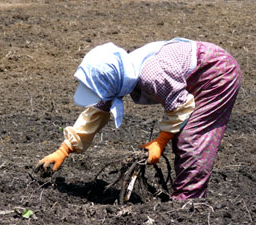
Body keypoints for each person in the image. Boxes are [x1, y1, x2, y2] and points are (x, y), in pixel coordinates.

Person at [35, 38, 241, 200]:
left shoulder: (151, 75)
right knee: (182, 136)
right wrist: (64, 149)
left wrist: (160, 142)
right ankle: (185, 191)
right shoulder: (121, 72)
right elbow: (97, 110)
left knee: (191, 139)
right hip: (193, 71)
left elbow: (181, 107)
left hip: (217, 73)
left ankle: (188, 202)